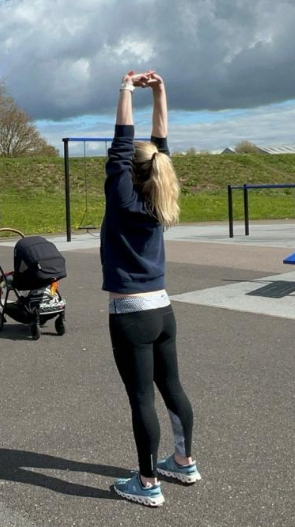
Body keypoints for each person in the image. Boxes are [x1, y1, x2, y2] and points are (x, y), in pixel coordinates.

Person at [102, 70, 200, 507]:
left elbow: (124, 143)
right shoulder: (158, 197)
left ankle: (146, 483)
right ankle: (183, 460)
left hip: (130, 313)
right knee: (172, 386)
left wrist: (125, 89)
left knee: (141, 398)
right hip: (162, 309)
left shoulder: (122, 197)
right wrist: (160, 91)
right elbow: (155, 148)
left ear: (130, 170)